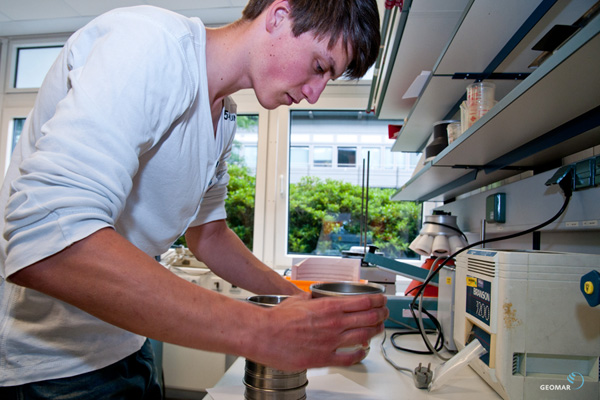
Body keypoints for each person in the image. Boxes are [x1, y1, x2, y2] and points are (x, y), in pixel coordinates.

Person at [0, 0, 386, 398]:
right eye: (320, 67)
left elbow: (209, 236)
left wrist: (305, 305)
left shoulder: (224, 119)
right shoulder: (150, 44)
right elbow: (46, 237)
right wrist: (261, 330)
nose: (315, 94)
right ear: (278, 16)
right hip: (48, 366)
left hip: (127, 344)